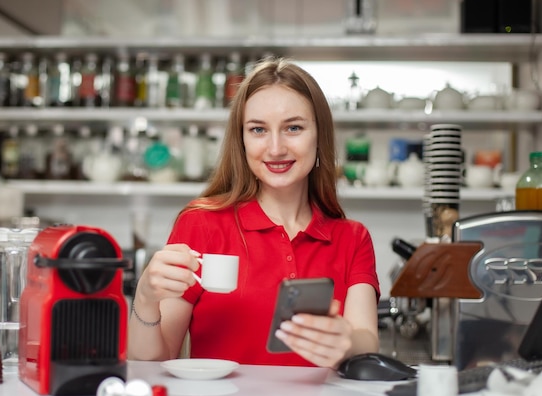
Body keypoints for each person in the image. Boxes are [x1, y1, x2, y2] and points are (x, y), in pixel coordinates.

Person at [128, 57, 380, 368]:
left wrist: (346, 342)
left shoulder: (352, 238)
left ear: (320, 137)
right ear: (242, 140)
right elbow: (151, 359)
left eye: (294, 128)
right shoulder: (201, 225)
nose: (275, 148)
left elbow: (367, 341)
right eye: (258, 129)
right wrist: (145, 298)